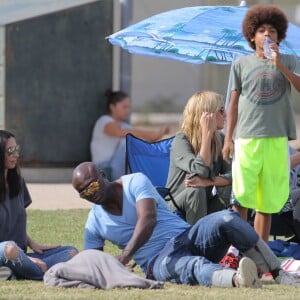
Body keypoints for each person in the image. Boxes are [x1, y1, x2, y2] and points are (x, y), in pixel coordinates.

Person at [71, 161, 300, 288]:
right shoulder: (94, 223)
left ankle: (278, 272)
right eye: (83, 194)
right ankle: (238, 280)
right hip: (156, 262)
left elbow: (148, 219)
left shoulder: (134, 181)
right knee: (193, 266)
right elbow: (93, 259)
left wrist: (124, 256)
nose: (91, 194)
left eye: (92, 186)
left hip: (187, 236)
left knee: (228, 218)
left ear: (102, 175)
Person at [222, 4, 300, 242]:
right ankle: (237, 252)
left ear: (279, 36)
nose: (268, 35)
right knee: (242, 197)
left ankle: (261, 256)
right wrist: (227, 138)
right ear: (252, 35)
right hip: (246, 137)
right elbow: (233, 104)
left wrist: (279, 66)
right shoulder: (241, 63)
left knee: (267, 201)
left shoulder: (288, 59)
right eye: (262, 30)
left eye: (273, 31)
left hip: (277, 138)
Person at [0, 130, 78, 280]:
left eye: (16, 149)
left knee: (71, 252)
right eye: (10, 151)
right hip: (6, 251)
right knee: (9, 248)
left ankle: (12, 272)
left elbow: (14, 221)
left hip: (19, 256)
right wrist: (24, 257)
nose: (16, 155)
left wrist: (32, 243)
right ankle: (36, 270)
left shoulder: (18, 183)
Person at [166, 91, 232, 225]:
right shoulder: (181, 140)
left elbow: (235, 175)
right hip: (175, 206)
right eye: (221, 110)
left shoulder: (220, 139)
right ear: (207, 114)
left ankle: (233, 240)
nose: (225, 115)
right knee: (196, 190)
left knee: (234, 189)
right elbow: (200, 170)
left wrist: (209, 182)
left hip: (205, 203)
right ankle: (196, 243)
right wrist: (207, 135)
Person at [90, 89, 170, 180]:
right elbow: (120, 133)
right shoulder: (104, 121)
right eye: (124, 107)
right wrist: (154, 134)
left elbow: (146, 140)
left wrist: (160, 133)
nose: (127, 110)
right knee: (128, 142)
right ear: (112, 107)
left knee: (137, 145)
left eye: (128, 107)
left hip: (118, 168)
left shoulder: (124, 126)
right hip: (103, 169)